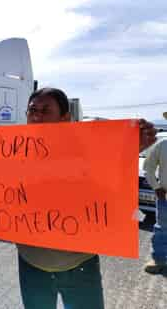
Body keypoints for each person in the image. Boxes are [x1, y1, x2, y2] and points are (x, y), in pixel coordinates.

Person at [14, 88, 156, 309]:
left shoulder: (86, 151)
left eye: (45, 110)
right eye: (32, 110)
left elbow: (111, 185)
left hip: (79, 265)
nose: (37, 116)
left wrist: (133, 147)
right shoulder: (10, 152)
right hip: (31, 264)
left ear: (65, 118)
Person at [143, 118, 167, 274]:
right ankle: (159, 259)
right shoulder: (162, 145)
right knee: (162, 229)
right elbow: (148, 167)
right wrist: (156, 187)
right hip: (165, 197)